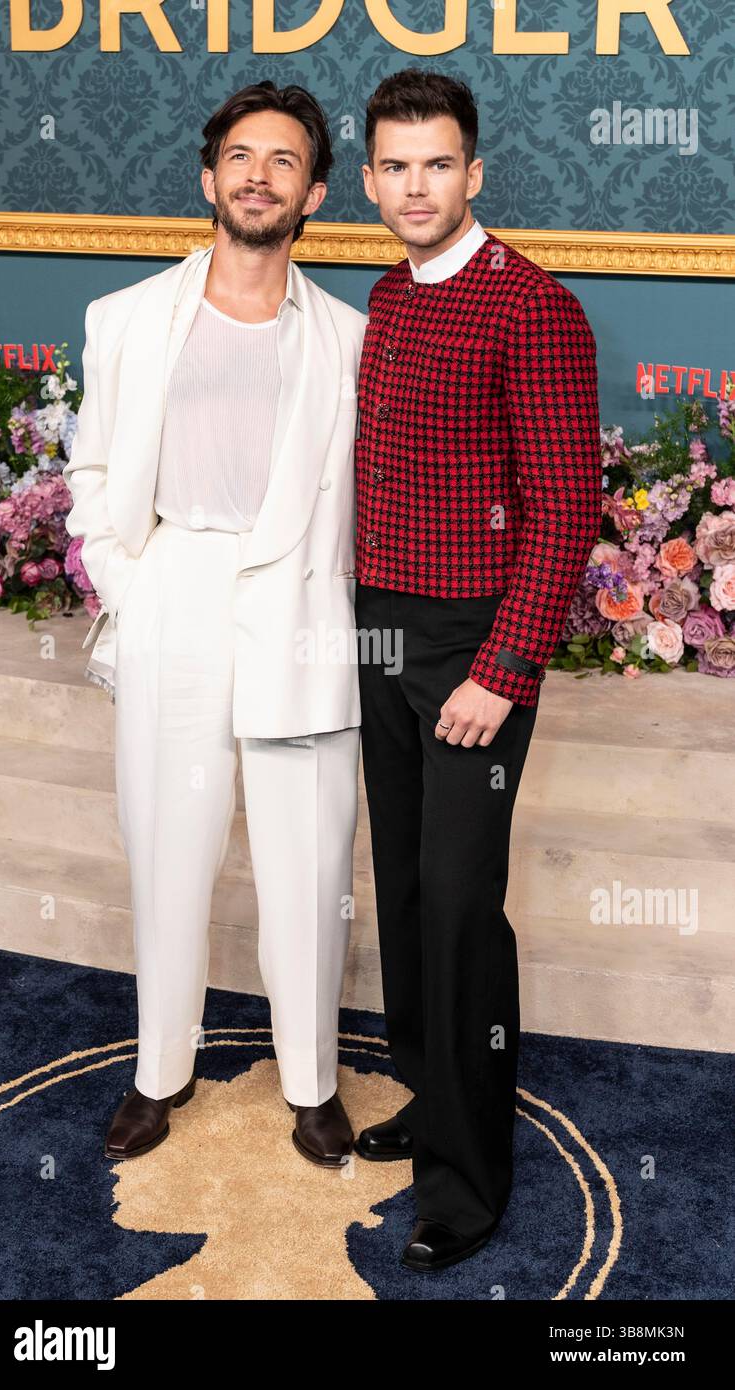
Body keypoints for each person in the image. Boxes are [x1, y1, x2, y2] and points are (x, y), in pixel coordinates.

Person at [62, 81, 367, 1168]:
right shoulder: (128, 319)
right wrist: (131, 588)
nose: (258, 176)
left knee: (308, 857)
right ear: (208, 177)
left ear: (315, 192)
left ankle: (314, 1083)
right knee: (168, 846)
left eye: (284, 161)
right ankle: (159, 1071)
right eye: (241, 156)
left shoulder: (352, 338)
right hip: (175, 595)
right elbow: (92, 470)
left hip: (302, 614)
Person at [352, 68, 603, 1271]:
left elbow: (565, 514)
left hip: (472, 645)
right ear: (368, 180)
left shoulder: (533, 308)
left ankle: (468, 1178)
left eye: (437, 164)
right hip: (381, 629)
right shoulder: (390, 296)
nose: (417, 186)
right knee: (400, 885)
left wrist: (502, 670)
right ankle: (429, 1097)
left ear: (475, 172)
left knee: (458, 907)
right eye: (396, 166)